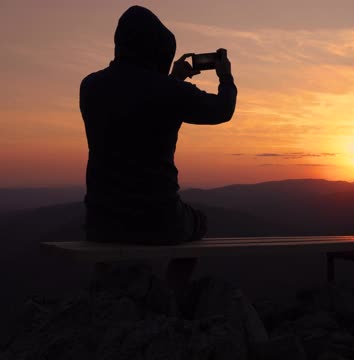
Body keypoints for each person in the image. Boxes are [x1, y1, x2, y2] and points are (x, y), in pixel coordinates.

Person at [79, 6, 237, 245]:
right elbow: (222, 110)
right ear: (159, 50)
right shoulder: (169, 92)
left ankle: (113, 282)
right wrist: (225, 76)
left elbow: (138, 102)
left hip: (101, 222)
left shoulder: (90, 86)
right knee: (198, 223)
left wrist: (173, 79)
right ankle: (172, 283)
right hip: (159, 219)